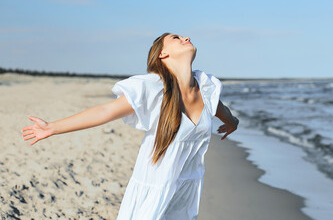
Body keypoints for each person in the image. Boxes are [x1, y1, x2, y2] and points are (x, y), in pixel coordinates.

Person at [21, 32, 239, 219]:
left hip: (187, 189)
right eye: (176, 38)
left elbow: (221, 109)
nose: (186, 38)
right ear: (163, 54)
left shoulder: (206, 87)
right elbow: (105, 111)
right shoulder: (153, 88)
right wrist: (52, 127)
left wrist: (232, 123)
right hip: (153, 189)